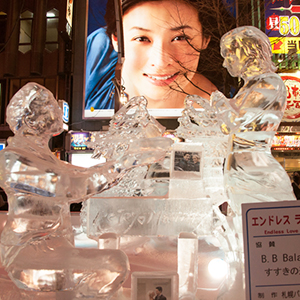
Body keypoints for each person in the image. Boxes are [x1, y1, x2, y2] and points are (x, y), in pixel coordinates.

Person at [0, 82, 171, 296]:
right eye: (49, 104)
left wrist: (129, 159)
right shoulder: (13, 159)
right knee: (113, 265)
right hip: (28, 257)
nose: (57, 107)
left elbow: (82, 175)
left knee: (113, 263)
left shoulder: (42, 157)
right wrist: (127, 160)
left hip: (56, 250)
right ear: (29, 119)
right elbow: (73, 186)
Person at [195, 26, 297, 215]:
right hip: (239, 168)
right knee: (246, 226)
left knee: (269, 225)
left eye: (229, 55)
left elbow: (232, 123)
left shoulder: (269, 83)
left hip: (257, 170)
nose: (225, 63)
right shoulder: (249, 87)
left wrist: (218, 100)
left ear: (247, 52)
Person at [85, 0, 235, 111]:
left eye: (180, 38)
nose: (160, 62)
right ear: (116, 40)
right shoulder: (98, 51)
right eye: (142, 39)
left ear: (205, 39)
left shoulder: (219, 112)